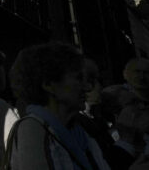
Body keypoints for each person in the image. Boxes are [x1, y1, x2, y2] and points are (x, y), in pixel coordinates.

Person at [7, 42, 110, 170]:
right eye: (78, 78)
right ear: (49, 85)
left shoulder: (80, 133)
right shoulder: (32, 130)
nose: (87, 87)